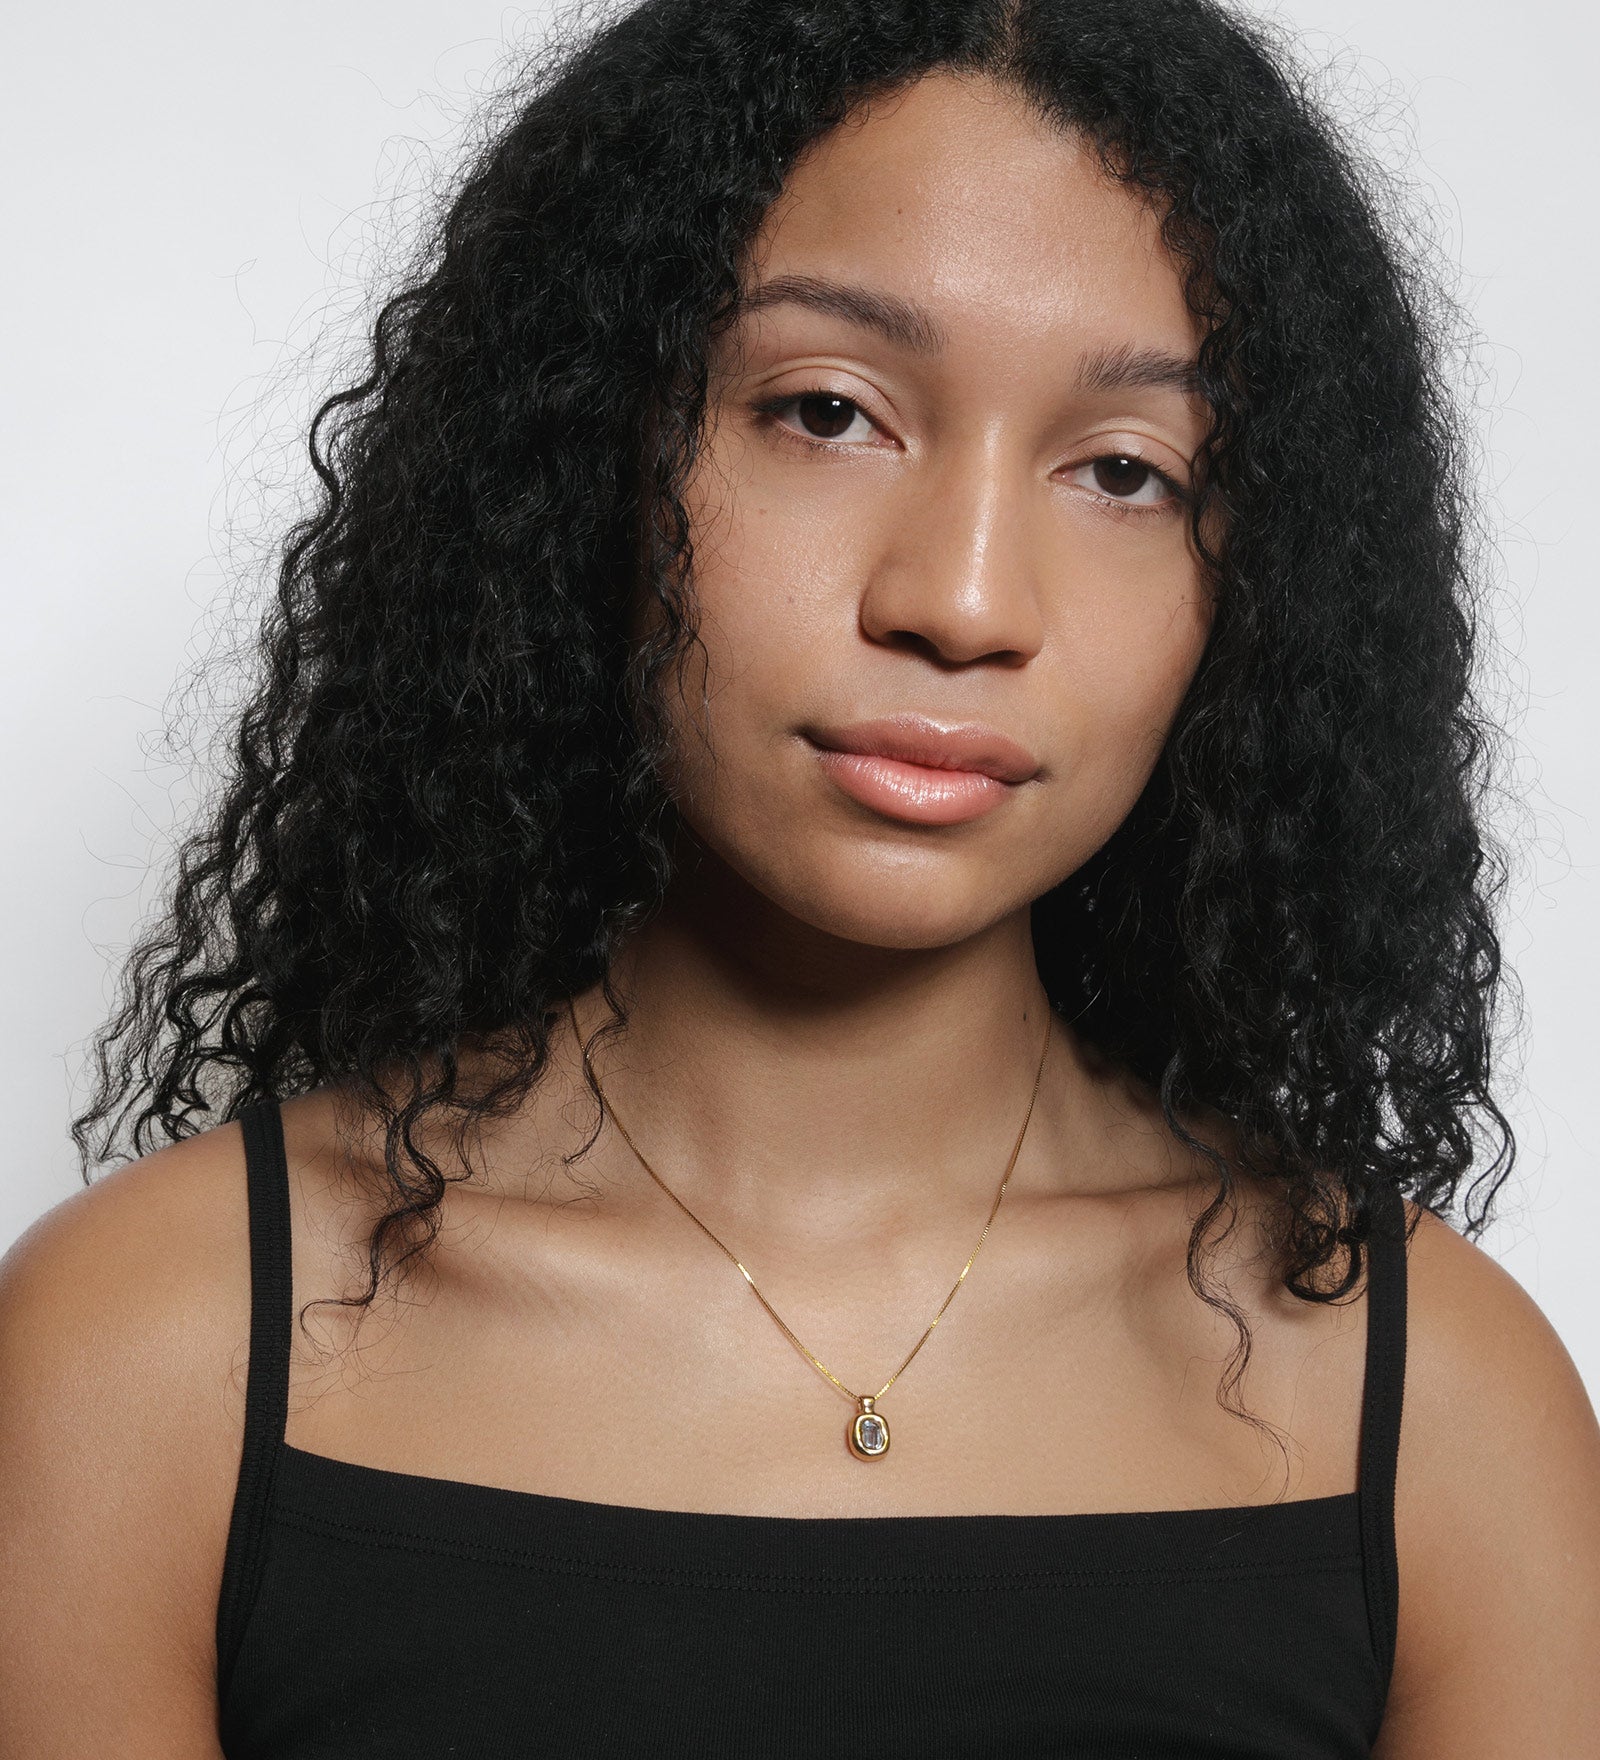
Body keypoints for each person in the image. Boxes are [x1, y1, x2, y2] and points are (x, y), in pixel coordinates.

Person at [3, 0, 1597, 1753]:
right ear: (588, 451)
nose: (963, 600)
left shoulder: (1437, 1407)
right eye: (828, 412)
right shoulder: (150, 1355)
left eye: (1125, 471)